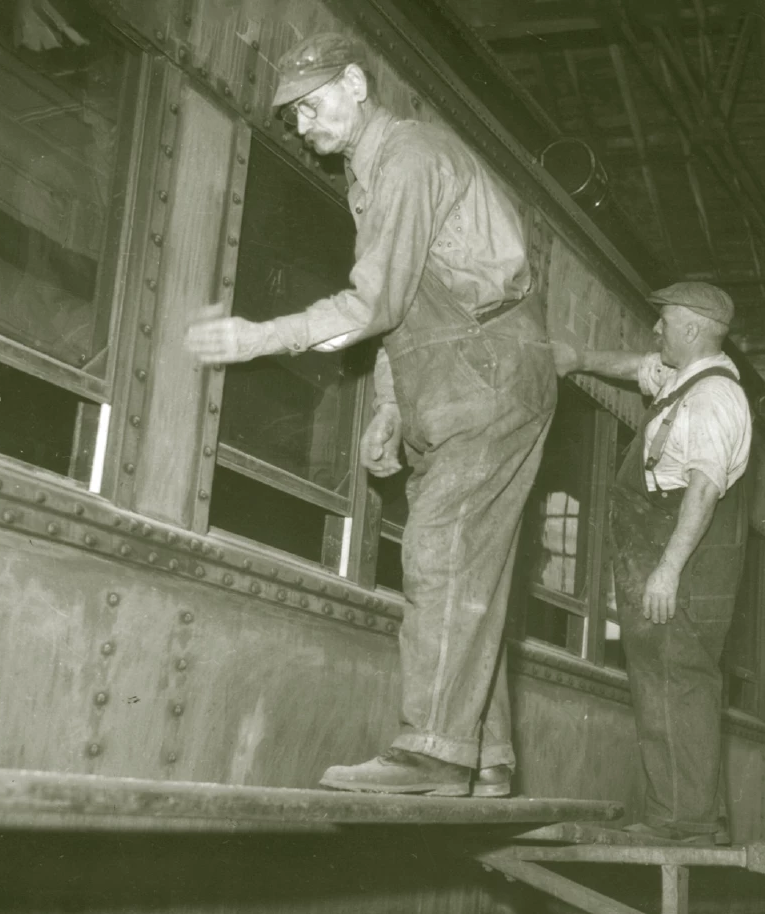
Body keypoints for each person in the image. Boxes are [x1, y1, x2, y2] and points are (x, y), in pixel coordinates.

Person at [186, 32, 556, 797]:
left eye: (310, 105)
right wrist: (390, 406)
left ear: (356, 83)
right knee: (465, 560)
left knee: (441, 551)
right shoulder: (372, 172)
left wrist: (263, 336)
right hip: (458, 371)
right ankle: (484, 758)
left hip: (484, 369)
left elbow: (376, 301)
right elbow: (406, 311)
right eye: (288, 116)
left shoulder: (410, 158)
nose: (299, 124)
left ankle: (434, 753)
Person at [555, 281, 751, 843]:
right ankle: (681, 817)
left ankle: (683, 823)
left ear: (691, 329)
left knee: (678, 682)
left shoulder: (715, 398)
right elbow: (637, 365)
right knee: (660, 680)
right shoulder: (681, 381)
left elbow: (705, 488)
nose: (655, 330)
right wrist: (579, 360)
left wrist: (666, 569)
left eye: (663, 322)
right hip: (667, 554)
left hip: (684, 562)